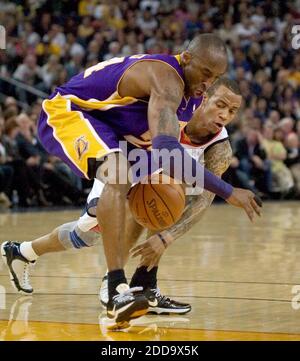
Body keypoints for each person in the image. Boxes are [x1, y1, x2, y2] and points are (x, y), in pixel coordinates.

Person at [2, 34, 261, 328]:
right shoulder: (166, 78)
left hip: (118, 136)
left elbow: (164, 154)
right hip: (72, 112)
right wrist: (229, 191)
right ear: (186, 58)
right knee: (122, 178)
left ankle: (23, 252)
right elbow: (166, 149)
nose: (207, 82)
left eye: (214, 77)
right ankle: (116, 290)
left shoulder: (195, 98)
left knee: (118, 215)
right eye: (205, 73)